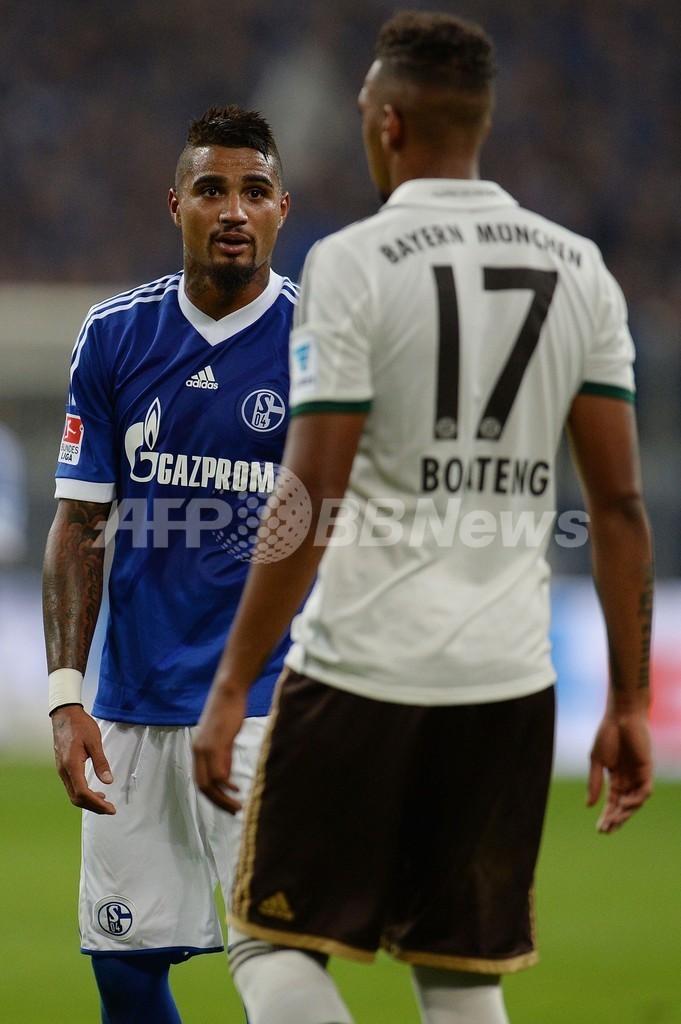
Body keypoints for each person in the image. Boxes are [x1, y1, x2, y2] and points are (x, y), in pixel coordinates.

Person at [193, 12, 654, 1024]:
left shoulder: (352, 262)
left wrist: (230, 684)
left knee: (268, 939)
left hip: (362, 669)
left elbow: (311, 492)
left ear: (389, 123)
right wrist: (628, 701)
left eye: (365, 108)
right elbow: (618, 505)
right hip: (507, 683)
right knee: (456, 973)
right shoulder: (580, 269)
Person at [42, 105, 296, 1024]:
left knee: (280, 965)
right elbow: (79, 522)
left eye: (254, 191)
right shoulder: (115, 335)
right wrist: (67, 696)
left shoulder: (321, 342)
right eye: (212, 189)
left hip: (268, 706)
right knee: (124, 966)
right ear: (176, 203)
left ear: (281, 209)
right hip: (135, 702)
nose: (233, 210)